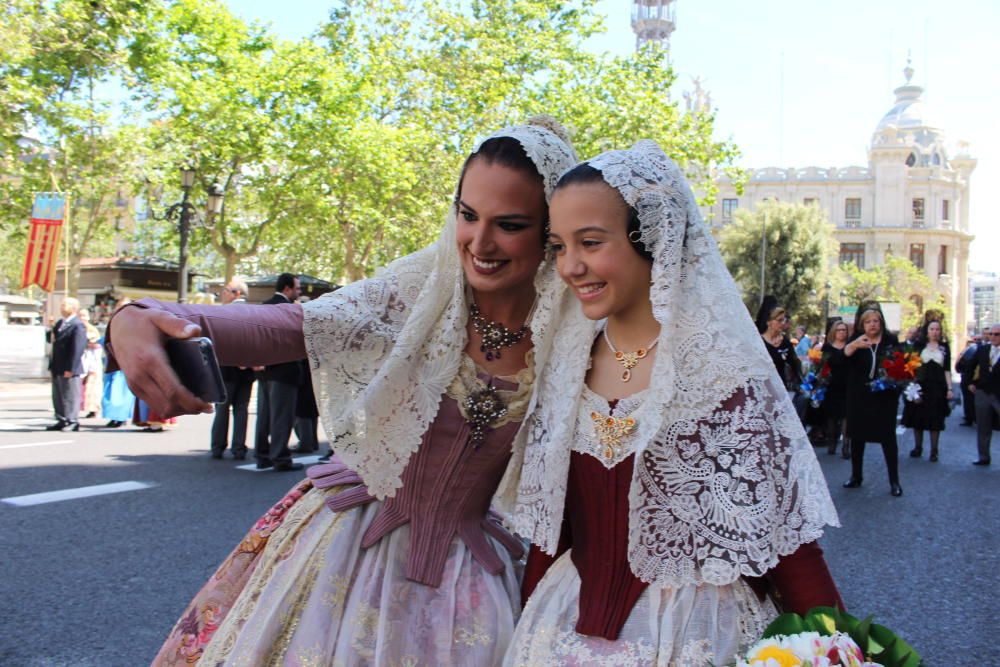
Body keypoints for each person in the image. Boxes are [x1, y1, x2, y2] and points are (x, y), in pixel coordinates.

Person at [106, 118, 578, 665]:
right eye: (467, 215)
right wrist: (142, 314)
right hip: (342, 549)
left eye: (510, 224)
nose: (480, 241)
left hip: (470, 580)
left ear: (550, 231)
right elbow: (289, 326)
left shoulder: (575, 329)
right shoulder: (414, 291)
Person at [504, 141, 841, 666]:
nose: (570, 266)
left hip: (697, 633)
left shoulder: (723, 375)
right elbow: (554, 533)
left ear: (654, 237)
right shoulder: (565, 365)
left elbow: (788, 547)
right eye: (559, 246)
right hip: (560, 629)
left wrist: (839, 649)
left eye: (590, 242)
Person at [842, 303, 903, 496]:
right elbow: (840, 361)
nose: (872, 325)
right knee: (857, 437)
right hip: (859, 397)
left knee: (888, 440)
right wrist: (853, 346)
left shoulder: (891, 341)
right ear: (862, 325)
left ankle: (894, 481)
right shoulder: (856, 340)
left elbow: (902, 365)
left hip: (884, 399)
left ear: (882, 323)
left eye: (876, 321)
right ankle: (856, 476)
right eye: (868, 322)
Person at [253, 272, 304, 471]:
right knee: (282, 416)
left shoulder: (264, 307)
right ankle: (280, 457)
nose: (299, 293)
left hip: (265, 369)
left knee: (264, 415)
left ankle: (262, 455)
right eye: (297, 289)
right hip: (285, 369)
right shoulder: (291, 310)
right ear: (287, 289)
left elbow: (256, 337)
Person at [210, 279, 254, 460]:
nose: (223, 293)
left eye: (226, 290)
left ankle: (218, 446)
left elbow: (222, 339)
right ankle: (238, 448)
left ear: (237, 293)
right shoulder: (253, 312)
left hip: (227, 367)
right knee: (241, 409)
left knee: (222, 408)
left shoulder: (224, 311)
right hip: (247, 368)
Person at [901, 320, 952, 462]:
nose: (935, 332)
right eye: (932, 329)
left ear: (940, 331)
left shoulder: (945, 347)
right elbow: (911, 367)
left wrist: (949, 388)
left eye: (937, 329)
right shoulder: (919, 346)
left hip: (937, 387)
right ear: (927, 331)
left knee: (935, 418)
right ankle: (918, 447)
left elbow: (947, 370)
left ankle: (934, 450)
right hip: (920, 385)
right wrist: (911, 388)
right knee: (918, 417)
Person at [756, 296, 806, 419]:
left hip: (780, 391)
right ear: (769, 322)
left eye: (784, 320)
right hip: (761, 390)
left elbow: (794, 364)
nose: (783, 323)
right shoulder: (758, 341)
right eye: (779, 320)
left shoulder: (786, 342)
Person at [45, 297, 87, 431]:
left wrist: (72, 368)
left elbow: (77, 348)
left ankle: (72, 420)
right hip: (57, 364)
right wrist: (50, 327)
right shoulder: (60, 323)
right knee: (58, 394)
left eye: (65, 305)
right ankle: (61, 418)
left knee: (70, 394)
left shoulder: (77, 325)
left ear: (74, 308)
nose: (62, 307)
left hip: (69, 365)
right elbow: (51, 340)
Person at [969, 323, 1000, 465]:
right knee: (983, 426)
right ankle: (983, 456)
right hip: (982, 392)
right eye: (991, 334)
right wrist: (970, 383)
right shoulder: (982, 349)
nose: (992, 337)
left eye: (997, 334)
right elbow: (970, 366)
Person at [101, 299, 135, 428]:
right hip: (113, 358)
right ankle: (113, 416)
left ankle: (122, 417)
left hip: (125, 360)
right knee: (111, 390)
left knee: (122, 391)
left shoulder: (133, 322)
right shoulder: (114, 321)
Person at [821, 319, 851, 458]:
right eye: (839, 330)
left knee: (847, 416)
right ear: (834, 331)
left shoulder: (850, 346)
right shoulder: (827, 348)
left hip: (847, 384)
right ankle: (831, 443)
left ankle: (846, 447)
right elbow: (821, 366)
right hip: (831, 385)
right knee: (831, 418)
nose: (841, 332)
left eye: (844, 330)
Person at [78, 308, 104, 419]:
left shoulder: (92, 330)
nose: (82, 318)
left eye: (84, 315)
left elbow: (97, 345)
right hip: (81, 359)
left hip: (92, 360)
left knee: (92, 386)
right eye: (80, 315)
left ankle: (93, 409)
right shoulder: (77, 327)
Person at [956, 336, 981, 426]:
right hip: (967, 377)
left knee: (971, 399)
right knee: (968, 399)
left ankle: (973, 417)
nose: (976, 341)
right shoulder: (968, 350)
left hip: (975, 378)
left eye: (978, 340)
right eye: (975, 340)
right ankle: (969, 417)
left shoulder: (980, 350)